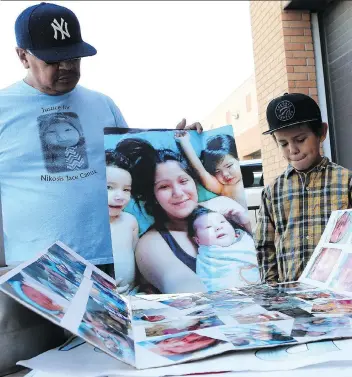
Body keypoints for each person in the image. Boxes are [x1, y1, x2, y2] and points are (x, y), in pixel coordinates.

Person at [0, 2, 199, 270]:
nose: (67, 67)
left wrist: (182, 143)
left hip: (109, 260)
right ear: (23, 56)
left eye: (73, 57)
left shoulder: (103, 105)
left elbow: (133, 167)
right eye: (54, 60)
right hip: (33, 267)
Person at [117, 138, 250, 294]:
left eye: (183, 181)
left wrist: (246, 223)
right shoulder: (152, 244)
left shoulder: (223, 206)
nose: (178, 193)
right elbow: (181, 284)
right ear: (153, 196)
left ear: (194, 182)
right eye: (164, 186)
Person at [256, 93, 352, 284]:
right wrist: (273, 291)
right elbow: (264, 247)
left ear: (321, 133)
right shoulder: (272, 192)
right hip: (291, 298)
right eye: (283, 143)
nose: (292, 149)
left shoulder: (346, 182)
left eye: (300, 139)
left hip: (339, 298)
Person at [187, 206, 260, 291]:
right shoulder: (208, 257)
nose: (218, 227)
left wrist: (246, 223)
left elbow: (263, 246)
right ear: (198, 240)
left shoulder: (245, 239)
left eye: (222, 222)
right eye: (208, 227)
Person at [176, 131, 247, 208]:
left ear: (238, 160)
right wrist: (185, 142)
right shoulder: (225, 188)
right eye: (217, 171)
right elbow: (201, 171)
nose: (225, 174)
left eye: (229, 166)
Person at [105, 149, 138, 291]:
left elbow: (138, 260)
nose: (120, 196)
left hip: (132, 294)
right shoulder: (83, 226)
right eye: (109, 187)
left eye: (126, 190)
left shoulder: (130, 222)